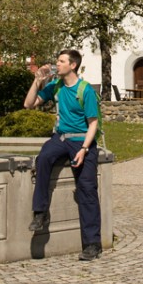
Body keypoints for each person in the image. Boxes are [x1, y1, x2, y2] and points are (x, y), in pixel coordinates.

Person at [23, 49, 103, 261]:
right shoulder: (55, 86)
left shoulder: (85, 90)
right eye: (57, 60)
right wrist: (36, 81)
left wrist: (85, 149)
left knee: (87, 189)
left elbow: (93, 124)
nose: (56, 64)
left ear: (72, 65)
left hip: (82, 140)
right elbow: (28, 104)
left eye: (61, 61)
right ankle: (40, 213)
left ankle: (93, 244)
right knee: (43, 159)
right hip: (60, 138)